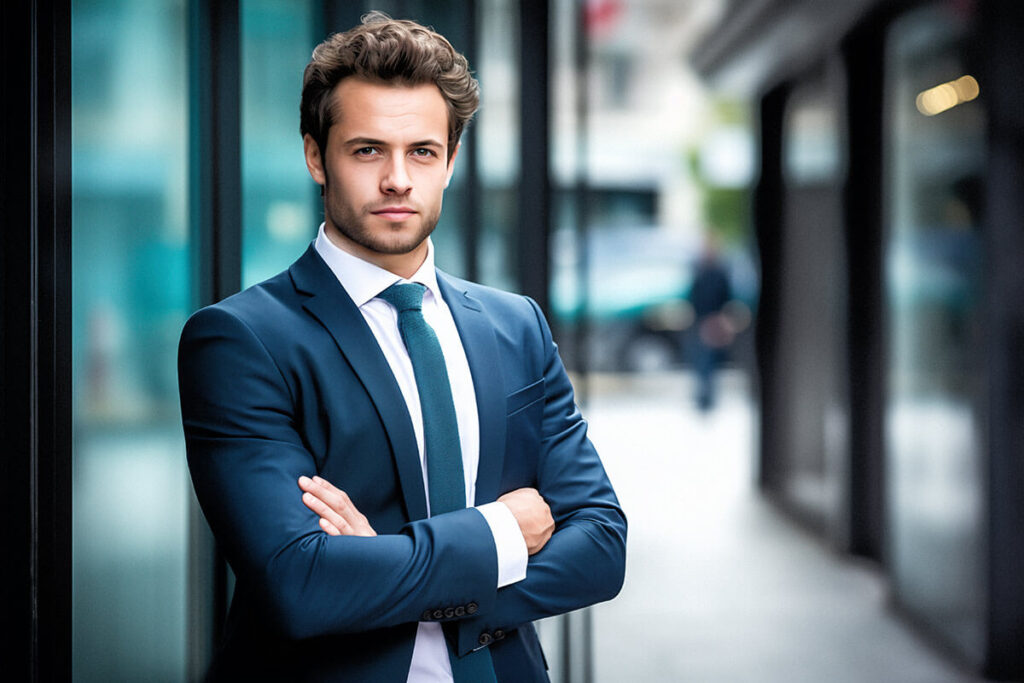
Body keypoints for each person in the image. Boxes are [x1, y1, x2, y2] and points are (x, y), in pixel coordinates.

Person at [178, 12, 626, 682]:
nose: (397, 179)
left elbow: (601, 546)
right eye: (367, 150)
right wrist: (503, 532)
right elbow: (302, 584)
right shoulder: (241, 341)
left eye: (421, 151)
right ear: (314, 156)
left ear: (450, 160)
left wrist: (386, 569)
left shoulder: (516, 325)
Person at [688, 235, 734, 411]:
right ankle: (702, 396)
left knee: (710, 361)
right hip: (701, 320)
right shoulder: (699, 269)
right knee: (701, 360)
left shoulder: (719, 271)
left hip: (714, 319)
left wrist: (719, 318)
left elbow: (725, 295)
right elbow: (694, 296)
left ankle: (708, 397)